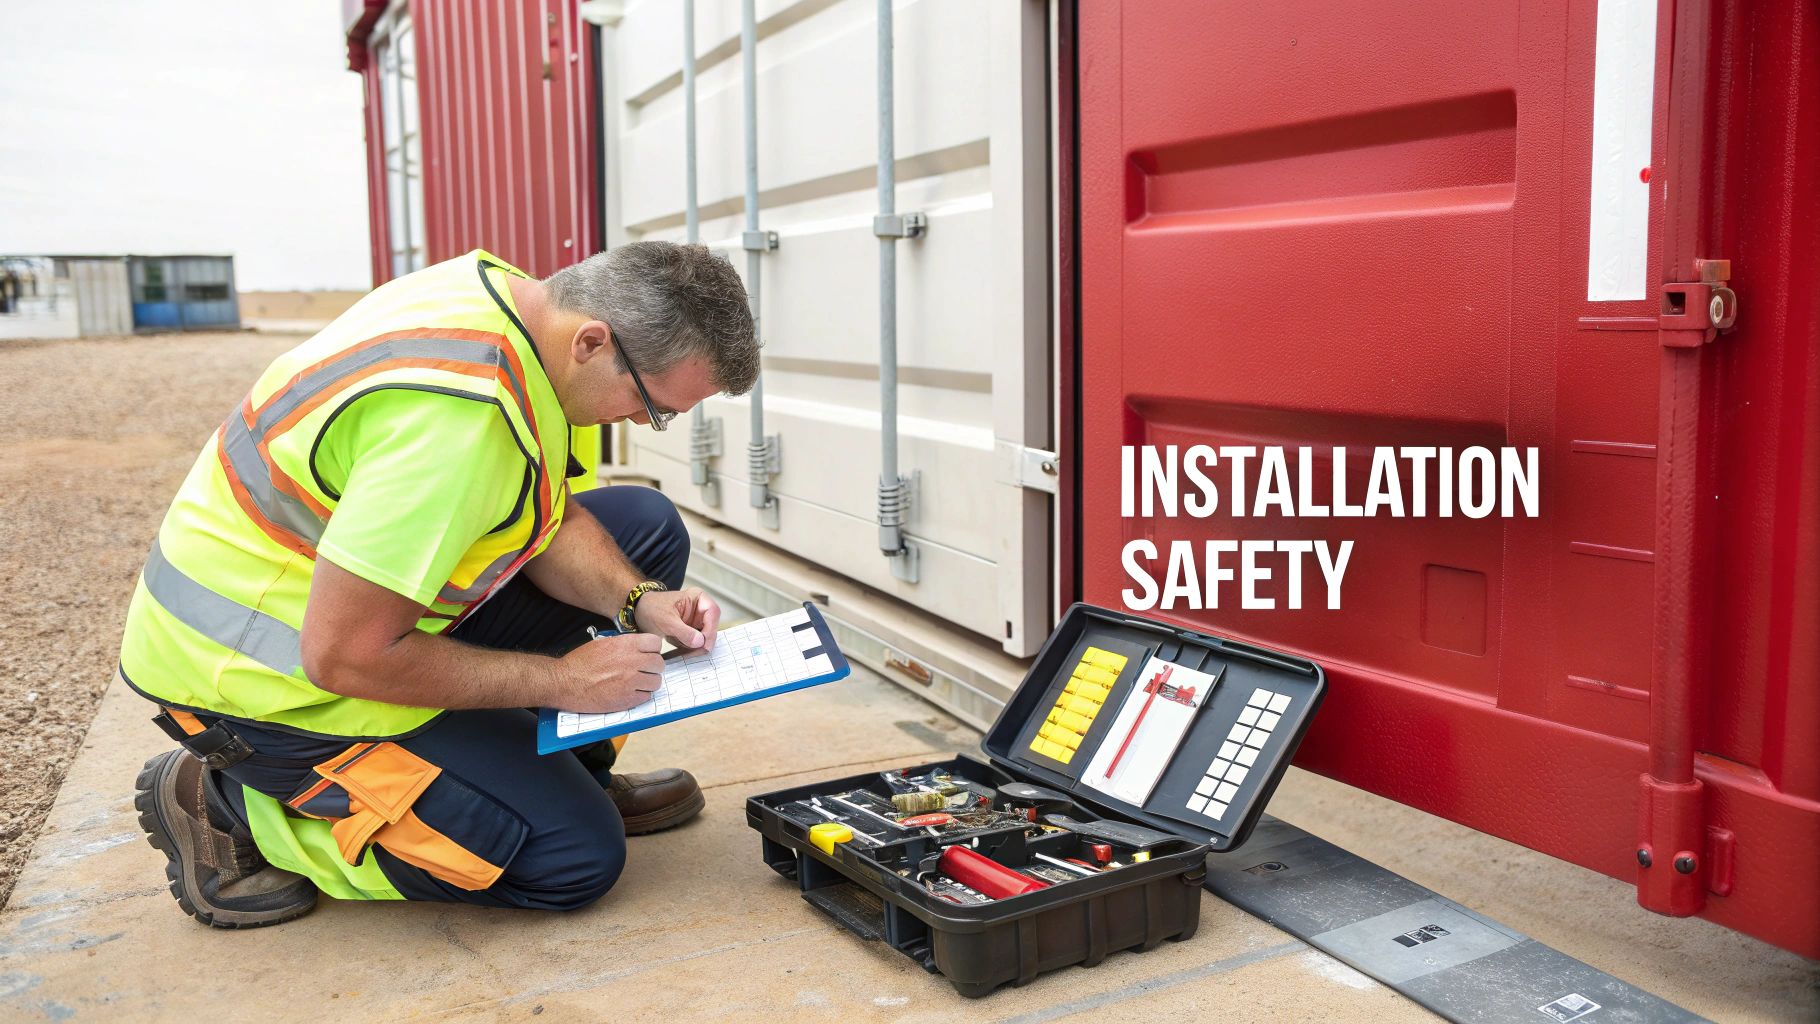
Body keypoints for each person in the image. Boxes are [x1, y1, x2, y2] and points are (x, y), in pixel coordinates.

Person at [118, 243, 759, 925]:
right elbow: (345, 656)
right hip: (261, 685)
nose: (643, 424)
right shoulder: (456, 425)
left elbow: (541, 510)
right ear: (593, 342)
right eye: (651, 406)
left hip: (358, 613)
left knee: (644, 528)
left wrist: (637, 601)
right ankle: (229, 804)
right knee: (570, 860)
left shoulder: (512, 303)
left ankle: (570, 777)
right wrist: (564, 682)